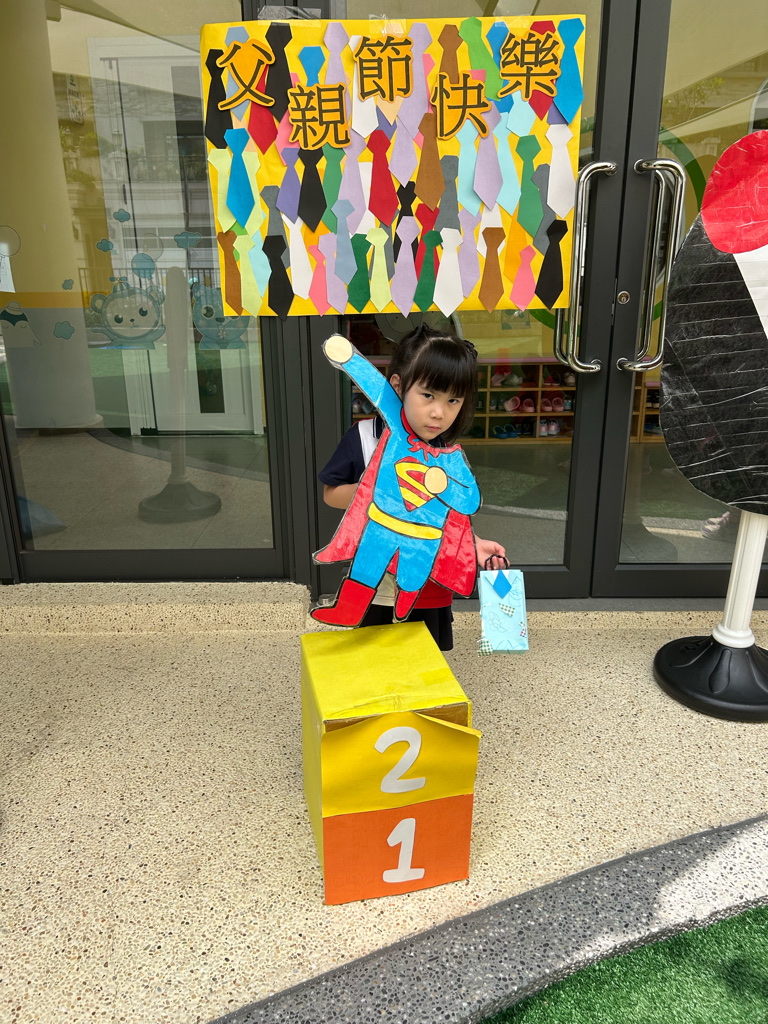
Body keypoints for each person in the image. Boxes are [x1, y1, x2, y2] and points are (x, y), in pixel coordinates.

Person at [313, 323, 506, 651]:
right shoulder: (365, 438)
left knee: (424, 658)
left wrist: (474, 545)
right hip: (378, 588)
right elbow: (331, 495)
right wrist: (376, 490)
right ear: (398, 386)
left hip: (427, 584)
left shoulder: (447, 453)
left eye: (453, 400)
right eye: (428, 395)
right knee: (373, 657)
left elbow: (457, 511)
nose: (438, 413)